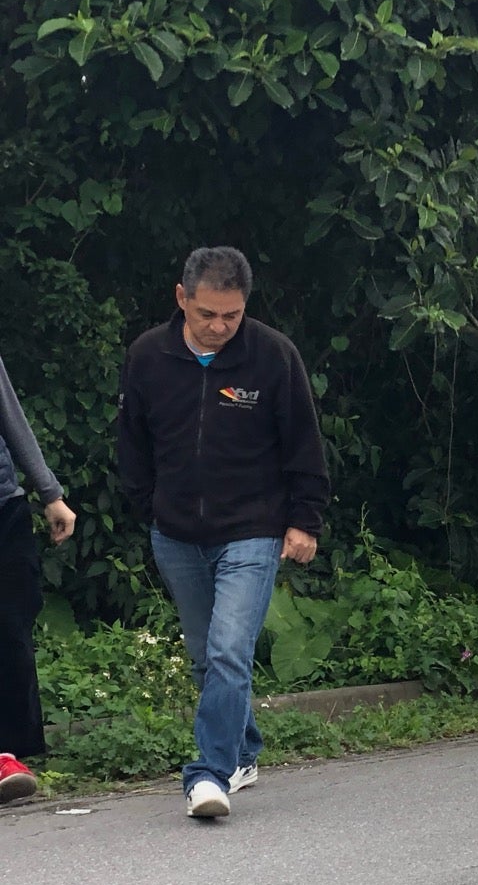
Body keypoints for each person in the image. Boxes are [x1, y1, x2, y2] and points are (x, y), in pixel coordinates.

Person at [117, 247, 329, 820]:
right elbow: (131, 443)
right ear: (181, 298)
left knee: (230, 650)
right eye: (206, 314)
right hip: (177, 533)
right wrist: (151, 506)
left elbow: (305, 444)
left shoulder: (273, 357)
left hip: (252, 530)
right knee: (205, 658)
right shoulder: (148, 357)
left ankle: (208, 774)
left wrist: (304, 520)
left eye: (231, 316)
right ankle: (245, 748)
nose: (218, 328)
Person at [0, 354, 77, 803]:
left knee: (10, 628)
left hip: (3, 507)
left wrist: (49, 493)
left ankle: (6, 754)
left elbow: (9, 412)